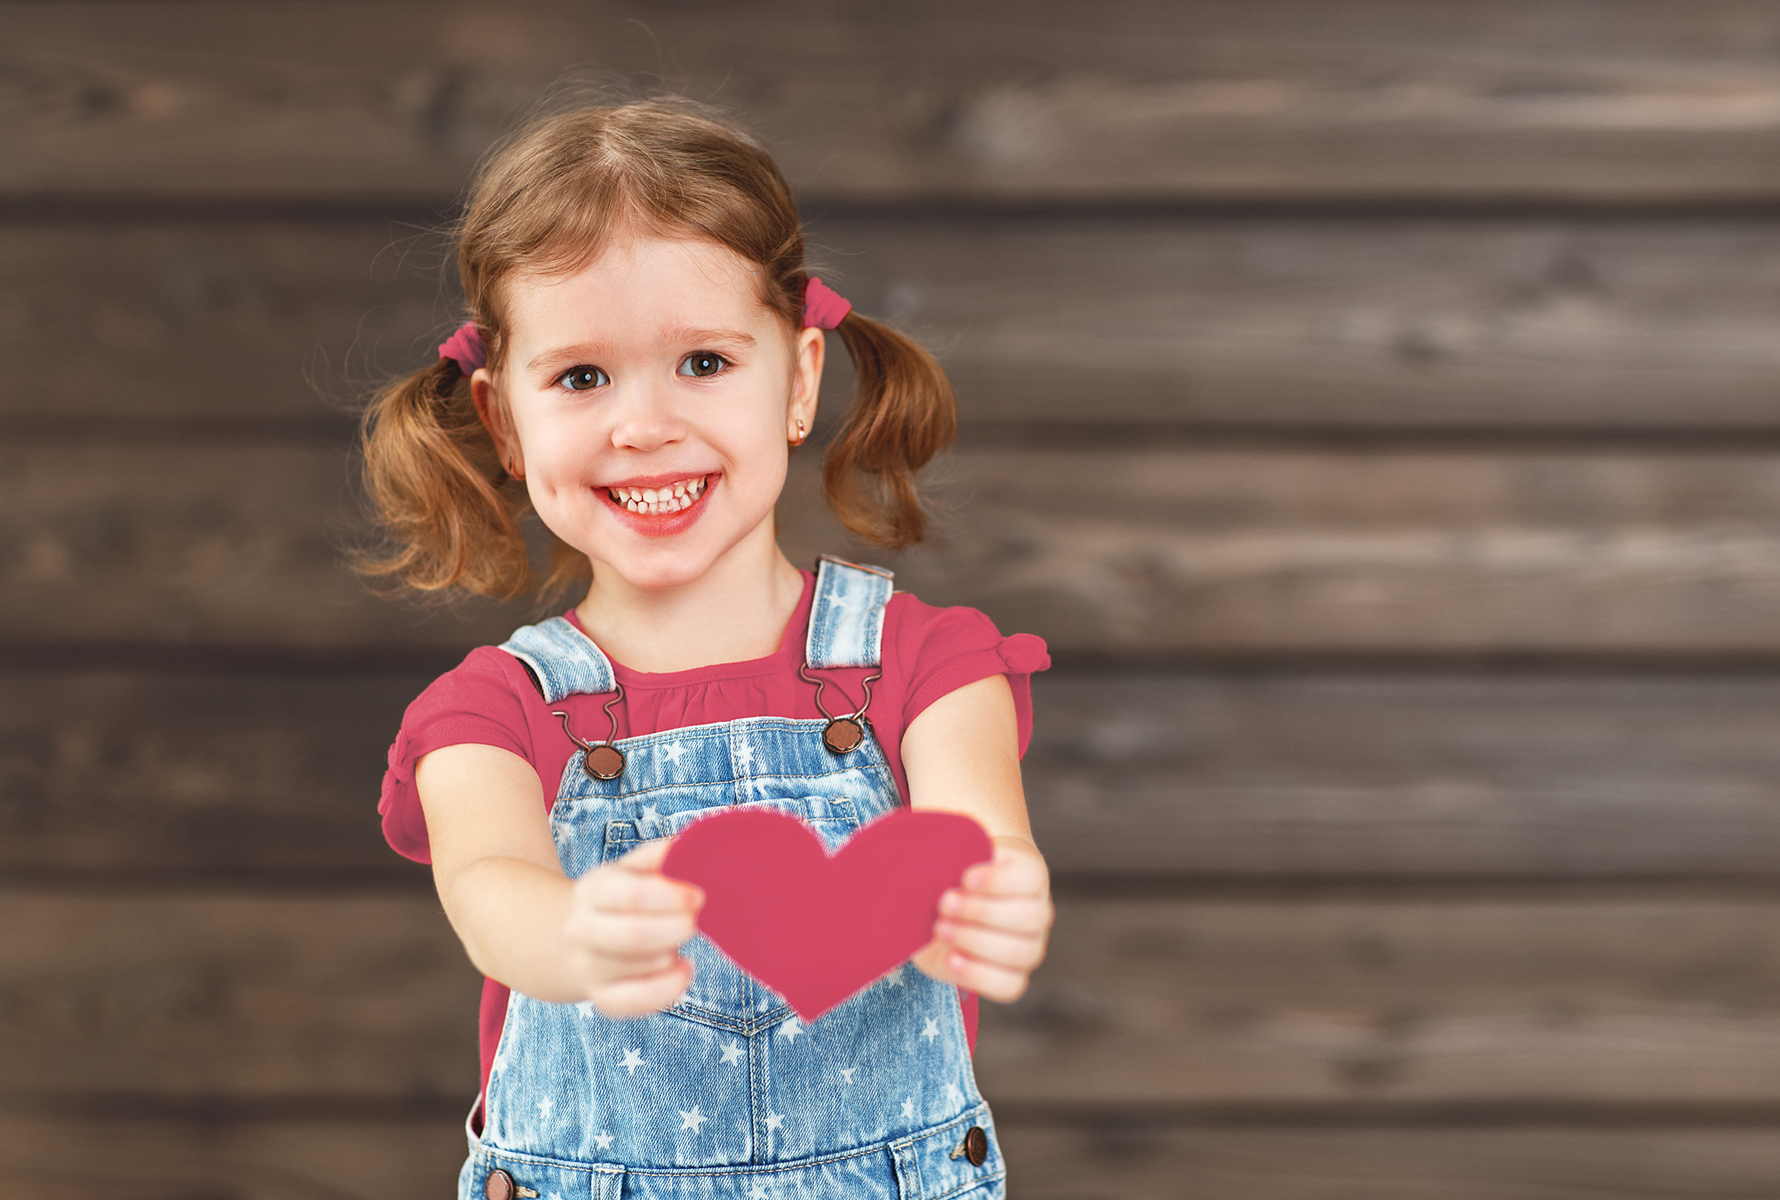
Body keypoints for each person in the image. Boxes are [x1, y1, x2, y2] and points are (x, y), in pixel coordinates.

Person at [363, 98, 1053, 1200]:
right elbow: (491, 887)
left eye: (702, 363)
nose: (644, 424)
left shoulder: (926, 667)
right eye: (581, 377)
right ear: (504, 421)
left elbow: (980, 838)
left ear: (796, 379)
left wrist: (992, 896)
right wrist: (574, 934)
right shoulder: (491, 711)